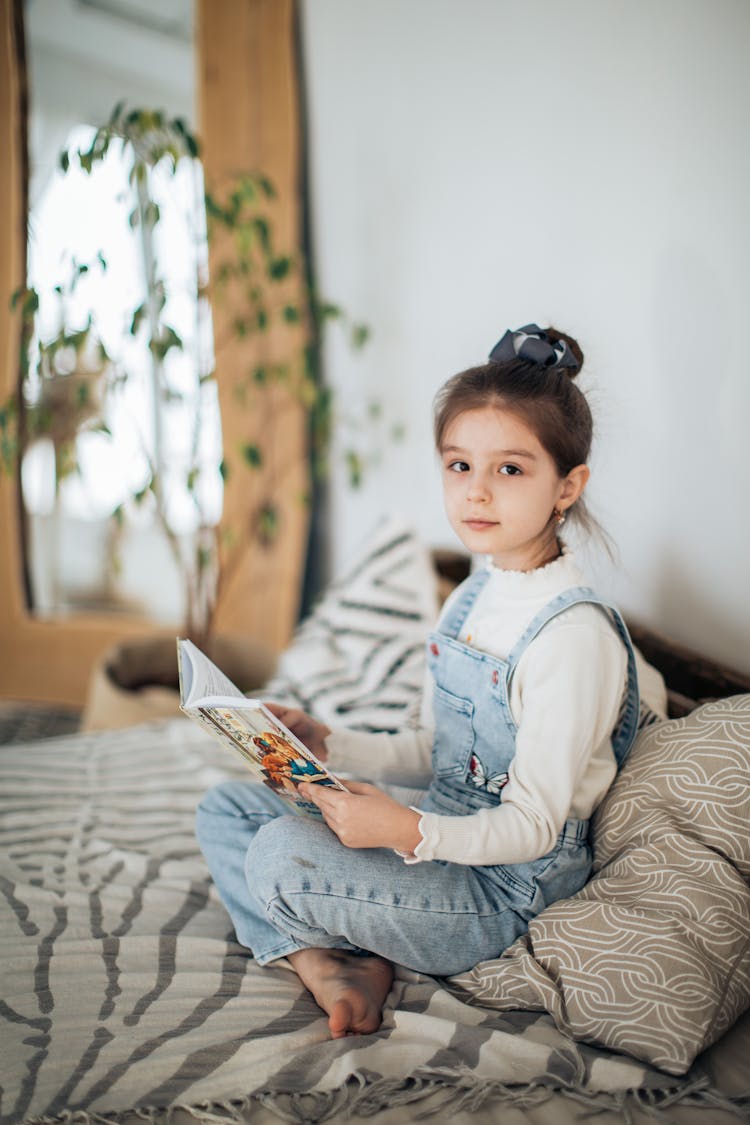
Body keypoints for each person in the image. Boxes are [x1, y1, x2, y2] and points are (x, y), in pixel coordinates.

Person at [195, 322, 640, 1040]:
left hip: (498, 887)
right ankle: (327, 960)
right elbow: (438, 748)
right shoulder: (474, 591)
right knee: (226, 810)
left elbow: (532, 827)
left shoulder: (573, 638)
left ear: (568, 484)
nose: (477, 492)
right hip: (437, 824)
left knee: (277, 856)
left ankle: (337, 948)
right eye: (459, 466)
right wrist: (329, 743)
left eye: (511, 469)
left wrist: (408, 829)